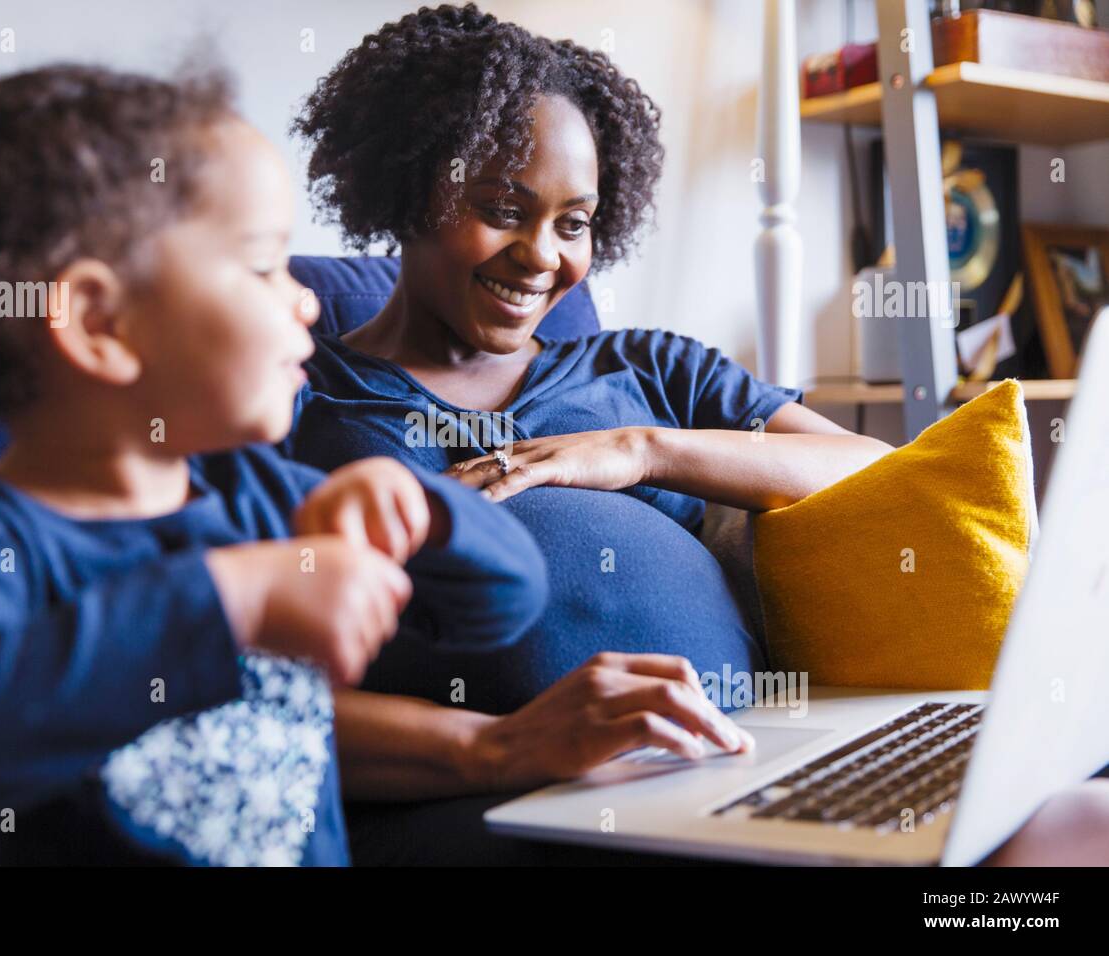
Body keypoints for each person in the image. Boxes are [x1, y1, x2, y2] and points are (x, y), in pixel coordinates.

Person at [284, 3, 1109, 866]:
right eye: (502, 208)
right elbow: (237, 693)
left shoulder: (644, 370)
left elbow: (876, 472)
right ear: (411, 185)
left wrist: (644, 447)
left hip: (750, 764)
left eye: (574, 223)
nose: (541, 255)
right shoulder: (301, 402)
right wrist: (507, 743)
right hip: (528, 798)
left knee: (1082, 825)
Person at [0, 62, 547, 866]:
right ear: (99, 322)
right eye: (262, 267)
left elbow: (506, 604)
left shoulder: (262, 499)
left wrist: (423, 512)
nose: (308, 301)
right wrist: (233, 599)